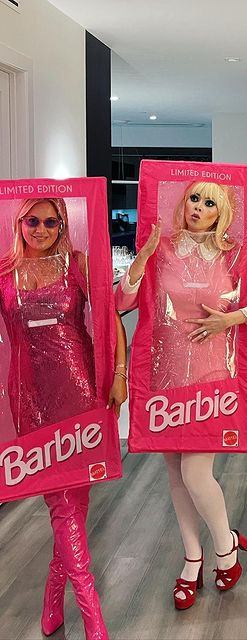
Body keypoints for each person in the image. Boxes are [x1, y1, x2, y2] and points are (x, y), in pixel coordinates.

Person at [116, 181, 247, 610]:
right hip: (166, 375)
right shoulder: (161, 249)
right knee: (176, 474)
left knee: (196, 473)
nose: (198, 207)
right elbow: (122, 301)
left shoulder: (234, 255)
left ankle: (226, 549)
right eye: (194, 198)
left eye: (210, 202)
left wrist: (230, 319)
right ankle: (193, 559)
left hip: (213, 376)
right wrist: (141, 260)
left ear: (221, 213)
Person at [0, 197, 128, 639]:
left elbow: (110, 318)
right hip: (30, 397)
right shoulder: (3, 273)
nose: (40, 229)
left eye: (50, 222)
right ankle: (94, 618)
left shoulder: (77, 264)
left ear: (62, 225)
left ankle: (53, 600)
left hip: (80, 392)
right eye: (32, 221)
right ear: (19, 223)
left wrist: (120, 375)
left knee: (74, 505)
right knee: (61, 503)